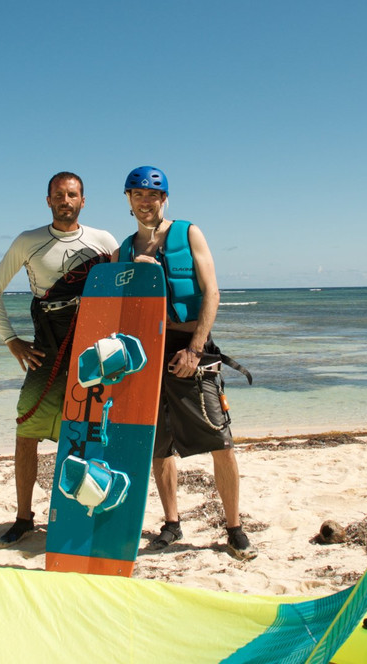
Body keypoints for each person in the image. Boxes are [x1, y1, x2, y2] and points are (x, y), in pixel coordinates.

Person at [116, 166, 257, 561]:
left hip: (191, 346)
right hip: (146, 353)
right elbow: (116, 310)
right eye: (138, 195)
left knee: (220, 439)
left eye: (153, 195)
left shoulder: (188, 233)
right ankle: (172, 523)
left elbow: (212, 293)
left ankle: (234, 529)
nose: (146, 201)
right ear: (128, 200)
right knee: (159, 446)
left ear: (164, 199)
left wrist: (195, 350)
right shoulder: (124, 250)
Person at [0, 171, 119, 548]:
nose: (65, 201)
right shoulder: (29, 241)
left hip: (92, 345)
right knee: (27, 429)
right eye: (58, 195)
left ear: (83, 200)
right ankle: (23, 518)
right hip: (48, 342)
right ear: (48, 201)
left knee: (90, 431)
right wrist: (11, 341)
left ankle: (83, 511)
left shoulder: (104, 241)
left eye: (72, 195)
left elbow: (126, 289)